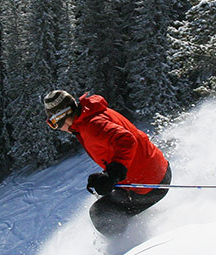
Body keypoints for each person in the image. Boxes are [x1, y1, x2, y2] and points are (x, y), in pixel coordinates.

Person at [43, 89, 171, 237]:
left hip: (150, 184)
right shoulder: (91, 114)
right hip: (157, 171)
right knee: (106, 194)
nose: (58, 129)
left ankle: (128, 247)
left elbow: (127, 141)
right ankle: (145, 221)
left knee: (101, 213)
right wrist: (107, 175)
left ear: (62, 117)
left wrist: (113, 174)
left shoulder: (91, 126)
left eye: (54, 124)